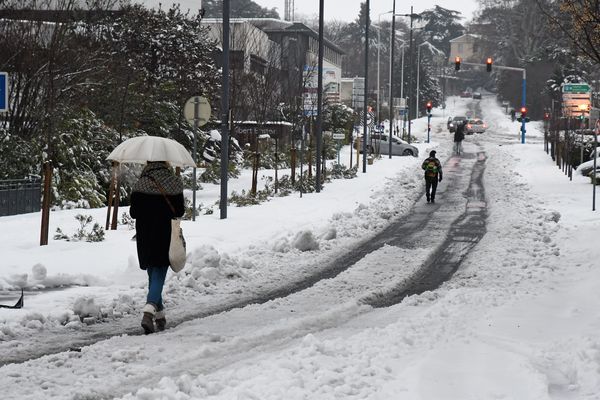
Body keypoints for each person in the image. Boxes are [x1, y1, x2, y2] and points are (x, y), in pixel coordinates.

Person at [130, 161, 184, 334]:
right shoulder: (174, 182)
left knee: (153, 273)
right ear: (166, 163)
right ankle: (148, 312)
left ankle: (159, 316)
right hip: (165, 233)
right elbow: (180, 211)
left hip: (145, 235)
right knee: (159, 271)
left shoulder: (140, 184)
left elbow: (133, 213)